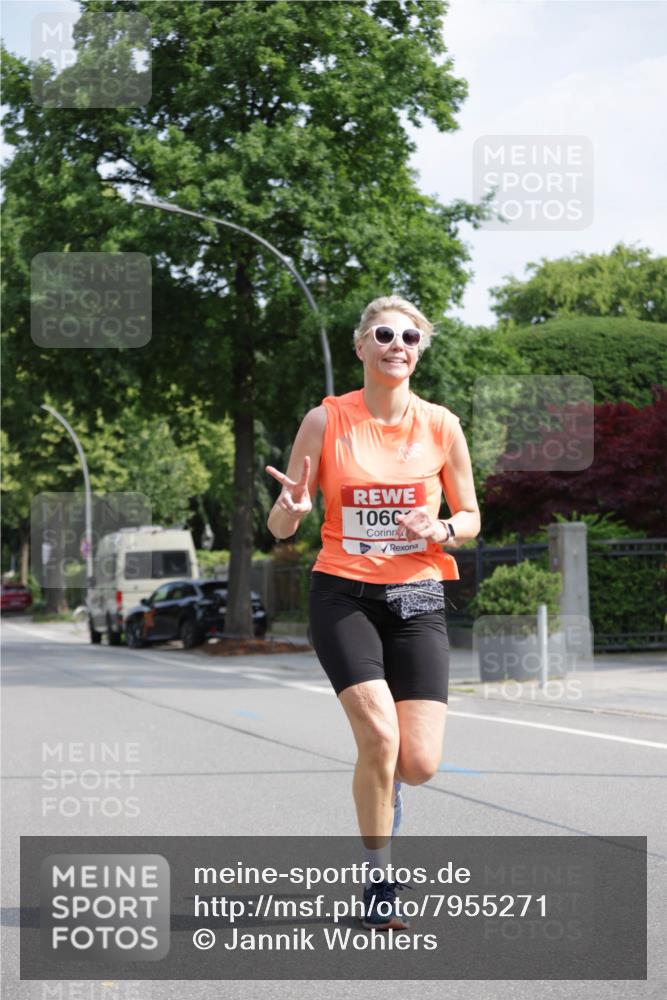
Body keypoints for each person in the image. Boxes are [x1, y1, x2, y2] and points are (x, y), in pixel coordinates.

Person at [266, 295, 480, 930]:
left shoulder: (442, 425)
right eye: (384, 335)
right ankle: (380, 880)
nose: (397, 346)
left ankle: (388, 789)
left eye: (410, 338)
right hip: (344, 593)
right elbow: (280, 526)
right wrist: (291, 510)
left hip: (417, 595)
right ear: (360, 345)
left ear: (419, 352)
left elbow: (471, 515)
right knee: (380, 739)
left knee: (418, 763)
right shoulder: (326, 420)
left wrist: (443, 528)